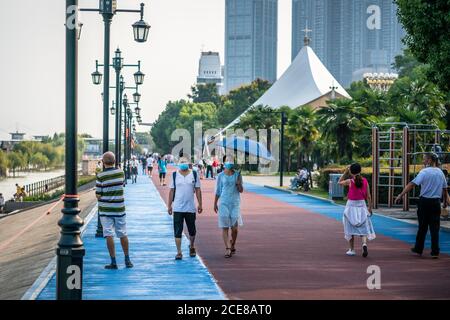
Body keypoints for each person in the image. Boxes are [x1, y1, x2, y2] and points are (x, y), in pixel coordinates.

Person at [395, 153, 449, 259]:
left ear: (429, 160)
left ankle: (418, 249)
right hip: (436, 203)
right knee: (435, 228)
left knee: (422, 227)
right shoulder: (440, 173)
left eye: (424, 159)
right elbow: (445, 189)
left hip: (424, 202)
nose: (423, 161)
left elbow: (412, 184)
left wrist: (401, 195)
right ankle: (435, 252)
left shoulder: (424, 172)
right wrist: (445, 203)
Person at [96, 151, 133, 269]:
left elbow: (98, 195)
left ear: (103, 162)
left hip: (106, 210)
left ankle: (113, 262)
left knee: (108, 234)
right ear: (114, 161)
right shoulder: (120, 172)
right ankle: (127, 259)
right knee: (123, 233)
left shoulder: (100, 176)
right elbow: (121, 184)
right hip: (119, 209)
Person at [167, 157, 202, 260]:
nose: (183, 164)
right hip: (178, 207)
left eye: (185, 162)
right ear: (178, 163)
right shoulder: (174, 175)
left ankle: (191, 246)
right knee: (177, 230)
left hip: (190, 207)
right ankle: (179, 252)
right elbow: (171, 191)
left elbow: (198, 190)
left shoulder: (194, 174)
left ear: (188, 163)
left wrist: (200, 204)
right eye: (181, 162)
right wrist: (169, 205)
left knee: (192, 230)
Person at [338, 163, 375, 257]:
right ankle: (364, 244)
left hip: (351, 205)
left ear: (351, 171)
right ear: (360, 171)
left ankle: (352, 249)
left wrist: (345, 172)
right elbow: (369, 196)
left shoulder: (350, 181)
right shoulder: (365, 181)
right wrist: (369, 208)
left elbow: (339, 182)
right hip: (362, 205)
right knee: (363, 226)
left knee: (349, 227)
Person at [214, 156, 244, 258]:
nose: (229, 162)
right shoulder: (220, 176)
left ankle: (233, 244)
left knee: (235, 228)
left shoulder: (237, 174)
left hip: (235, 203)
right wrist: (215, 203)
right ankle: (227, 248)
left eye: (231, 161)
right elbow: (218, 190)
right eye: (227, 161)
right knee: (225, 226)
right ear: (224, 162)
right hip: (224, 203)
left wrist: (238, 184)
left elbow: (241, 190)